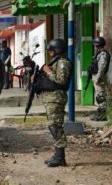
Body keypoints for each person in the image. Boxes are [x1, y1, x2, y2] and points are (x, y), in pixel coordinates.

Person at [40, 38, 72, 167]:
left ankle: (60, 157)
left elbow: (61, 80)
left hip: (56, 98)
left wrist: (48, 72)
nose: (49, 52)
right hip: (50, 98)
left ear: (57, 50)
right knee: (52, 126)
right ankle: (58, 155)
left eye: (51, 50)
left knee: (55, 126)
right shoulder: (55, 62)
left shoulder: (63, 62)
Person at [89, 37, 111, 121]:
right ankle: (100, 112)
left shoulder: (103, 54)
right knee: (98, 96)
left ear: (97, 45)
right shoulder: (99, 53)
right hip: (97, 77)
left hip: (100, 78)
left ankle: (103, 115)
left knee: (101, 96)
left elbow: (102, 67)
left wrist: (98, 77)